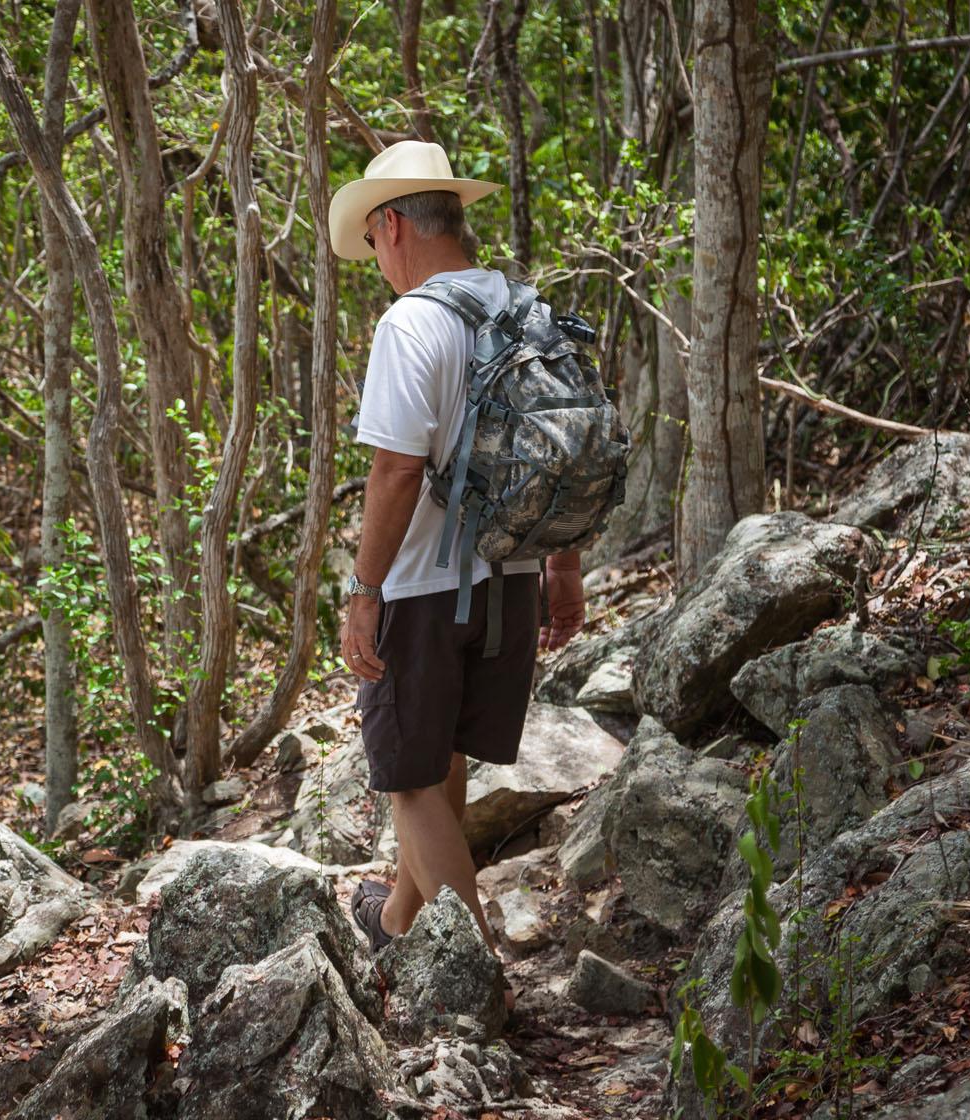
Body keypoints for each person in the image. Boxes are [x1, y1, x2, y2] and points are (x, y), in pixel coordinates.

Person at [328, 141, 587, 988]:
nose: (376, 264)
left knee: (406, 777)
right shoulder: (527, 310)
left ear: (392, 226)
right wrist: (563, 565)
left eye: (371, 245)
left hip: (425, 587)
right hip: (510, 576)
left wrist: (365, 592)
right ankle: (402, 921)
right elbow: (562, 445)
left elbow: (397, 467)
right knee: (441, 755)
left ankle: (470, 980)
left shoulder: (414, 322)